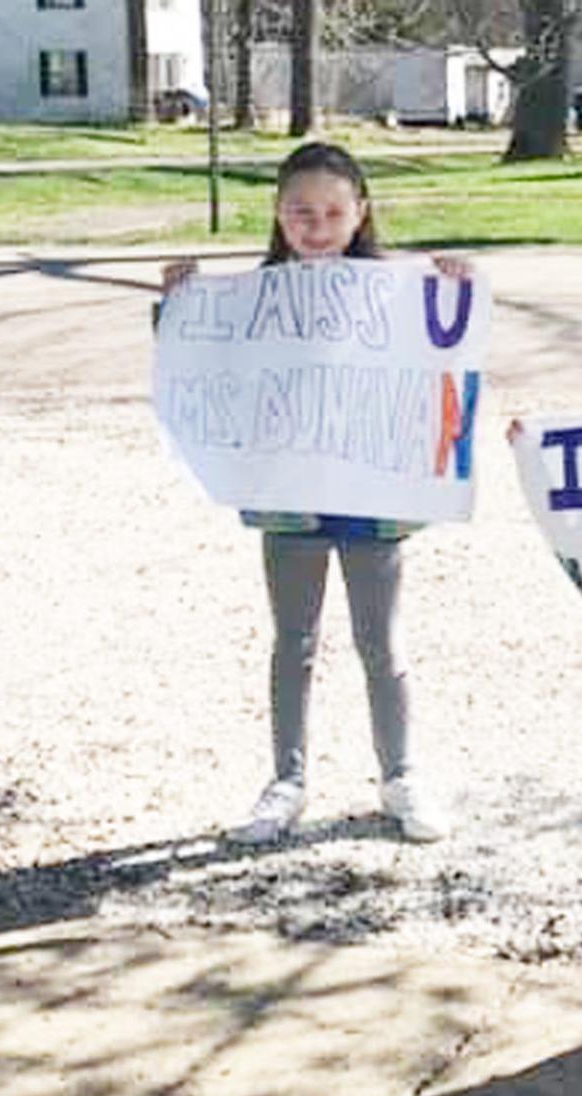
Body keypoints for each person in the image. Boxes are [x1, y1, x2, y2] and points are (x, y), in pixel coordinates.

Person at [162, 142, 466, 845]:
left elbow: (445, 356)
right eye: (302, 211)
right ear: (278, 213)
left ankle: (401, 775)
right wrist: (179, 304)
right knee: (293, 640)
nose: (318, 225)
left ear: (361, 213)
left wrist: (453, 286)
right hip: (290, 495)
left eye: (333, 211)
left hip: (374, 497)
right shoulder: (251, 300)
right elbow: (203, 361)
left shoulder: (398, 293)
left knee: (379, 643)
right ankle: (286, 780)